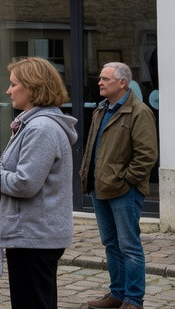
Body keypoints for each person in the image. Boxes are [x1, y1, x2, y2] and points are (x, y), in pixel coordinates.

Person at [0, 57, 77, 309]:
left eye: (13, 84)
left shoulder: (40, 128)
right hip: (34, 234)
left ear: (31, 88)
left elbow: (25, 183)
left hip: (34, 236)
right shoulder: (33, 123)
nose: (8, 91)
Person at [79, 62, 158, 309]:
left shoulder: (139, 112)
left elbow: (147, 155)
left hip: (124, 190)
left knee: (129, 246)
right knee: (111, 244)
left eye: (105, 79)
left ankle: (133, 300)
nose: (99, 82)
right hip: (99, 187)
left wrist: (127, 180)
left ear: (122, 83)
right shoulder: (101, 110)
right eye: (100, 78)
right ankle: (117, 294)